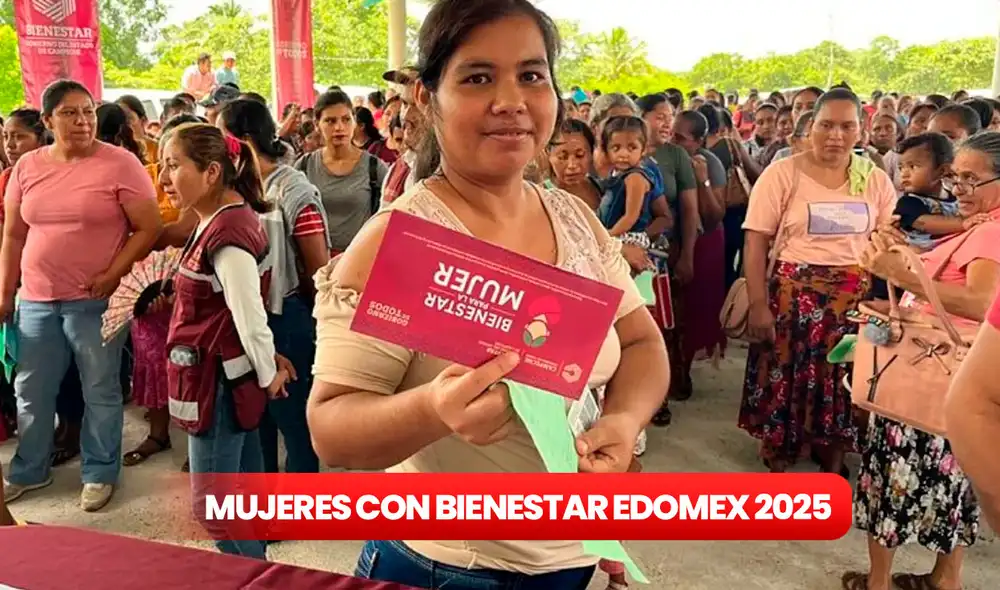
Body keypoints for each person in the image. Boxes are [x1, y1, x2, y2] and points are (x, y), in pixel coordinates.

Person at [307, 0, 669, 587]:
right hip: (446, 566)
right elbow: (331, 429)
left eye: (531, 75)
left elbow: (641, 342)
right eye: (478, 77)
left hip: (570, 561)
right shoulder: (403, 241)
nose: (511, 100)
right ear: (428, 98)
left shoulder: (574, 218)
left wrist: (623, 425)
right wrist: (432, 410)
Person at [843, 131, 1000, 590]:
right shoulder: (981, 226)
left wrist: (899, 274)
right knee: (956, 487)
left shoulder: (991, 231)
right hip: (957, 375)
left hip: (929, 376)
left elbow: (982, 301)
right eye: (956, 179)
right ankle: (943, 578)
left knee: (894, 478)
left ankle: (879, 580)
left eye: (972, 181)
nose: (958, 192)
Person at [0, 80, 162, 512]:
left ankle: (100, 470)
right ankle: (29, 469)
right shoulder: (28, 167)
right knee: (31, 389)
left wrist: (113, 274)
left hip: (96, 299)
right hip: (35, 297)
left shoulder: (120, 164)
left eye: (88, 111)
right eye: (70, 113)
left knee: (100, 388)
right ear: (49, 120)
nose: (82, 120)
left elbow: (148, 228)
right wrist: (5, 292)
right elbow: (14, 234)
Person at [738, 88, 897, 476]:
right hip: (792, 298)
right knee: (784, 371)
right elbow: (756, 239)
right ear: (810, 128)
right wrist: (758, 303)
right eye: (826, 125)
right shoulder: (783, 173)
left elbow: (889, 240)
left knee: (841, 376)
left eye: (847, 126)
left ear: (861, 130)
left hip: (852, 301)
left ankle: (833, 451)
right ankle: (780, 446)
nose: (836, 135)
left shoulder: (873, 180)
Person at [158, 123, 291, 559]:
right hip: (219, 376)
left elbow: (249, 315)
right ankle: (260, 571)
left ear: (212, 172)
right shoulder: (216, 221)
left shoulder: (227, 233)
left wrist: (269, 373)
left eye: (174, 166)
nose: (163, 179)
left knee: (213, 509)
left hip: (218, 383)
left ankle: (252, 576)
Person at [218, 99, 331, 474]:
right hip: (248, 317)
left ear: (243, 140)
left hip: (287, 318)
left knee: (294, 419)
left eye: (221, 135)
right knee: (256, 418)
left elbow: (317, 268)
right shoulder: (236, 189)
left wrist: (317, 327)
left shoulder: (294, 191)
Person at [295, 90, 388, 255]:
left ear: (354, 122)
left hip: (359, 262)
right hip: (312, 264)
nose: (339, 127)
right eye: (330, 121)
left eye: (346, 120)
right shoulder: (304, 165)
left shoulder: (374, 167)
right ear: (317, 124)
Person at [893, 133, 978, 251]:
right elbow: (924, 223)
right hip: (917, 257)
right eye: (901, 167)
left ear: (942, 170)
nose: (904, 174)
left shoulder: (954, 196)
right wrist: (963, 224)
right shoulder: (908, 202)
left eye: (913, 166)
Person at [116, 95, 160, 164]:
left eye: (129, 118)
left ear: (143, 120)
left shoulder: (157, 149)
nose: (125, 124)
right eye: (120, 119)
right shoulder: (116, 150)